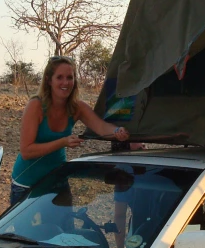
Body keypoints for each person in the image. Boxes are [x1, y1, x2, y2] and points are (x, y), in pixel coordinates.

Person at [10, 56, 129, 206]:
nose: (65, 83)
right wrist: (63, 142)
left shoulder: (76, 107)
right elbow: (26, 151)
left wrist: (118, 131)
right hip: (26, 184)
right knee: (23, 230)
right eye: (59, 77)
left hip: (57, 180)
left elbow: (101, 127)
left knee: (64, 227)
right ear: (49, 80)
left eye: (69, 77)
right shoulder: (35, 105)